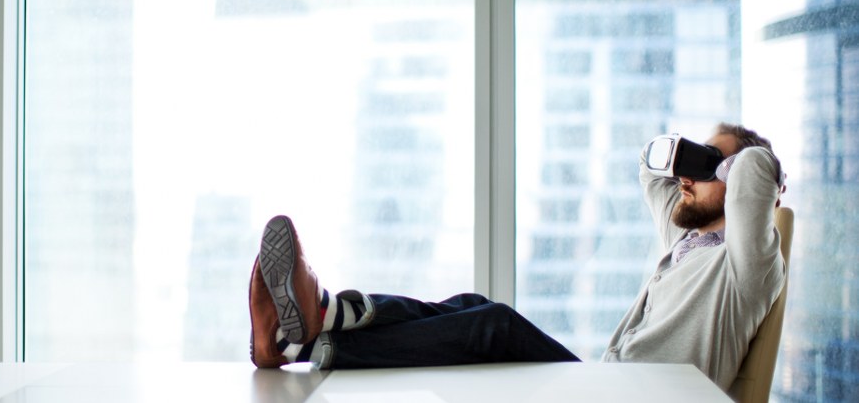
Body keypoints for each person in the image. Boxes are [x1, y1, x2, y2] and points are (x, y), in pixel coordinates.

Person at [248, 123, 786, 392]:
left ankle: (316, 327)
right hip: (612, 392)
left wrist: (734, 162)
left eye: (713, 163)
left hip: (646, 400)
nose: (688, 175)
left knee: (496, 326)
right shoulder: (685, 243)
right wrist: (691, 153)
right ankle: (317, 325)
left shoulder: (750, 264)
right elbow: (650, 169)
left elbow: (759, 170)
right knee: (476, 307)